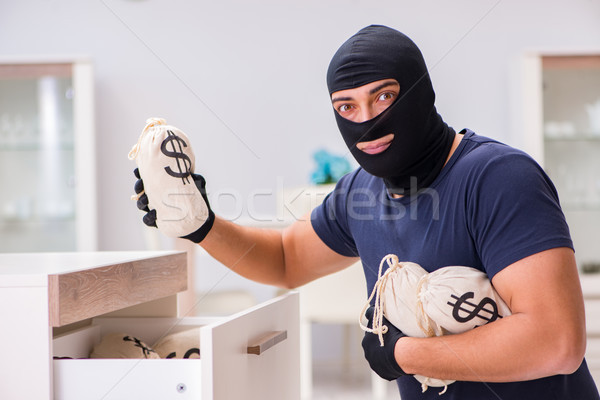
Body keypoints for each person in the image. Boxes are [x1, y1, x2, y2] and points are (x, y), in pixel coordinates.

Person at [134, 25, 600, 399]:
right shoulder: (362, 191)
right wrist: (203, 225)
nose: (367, 122)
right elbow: (284, 259)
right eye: (346, 106)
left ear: (421, 92)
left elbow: (555, 342)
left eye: (383, 97)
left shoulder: (498, 177)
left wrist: (406, 356)